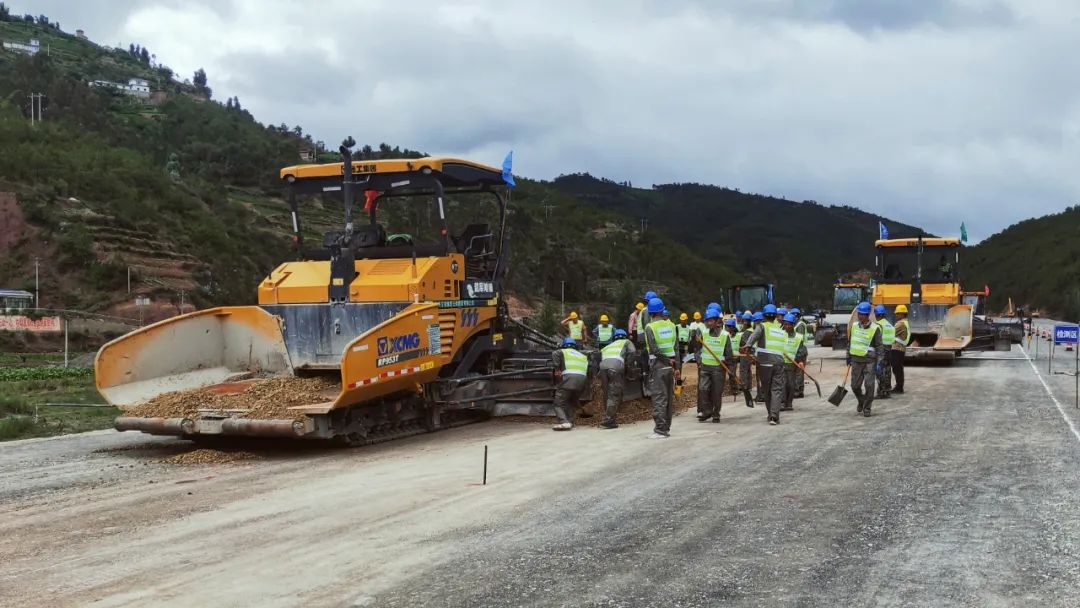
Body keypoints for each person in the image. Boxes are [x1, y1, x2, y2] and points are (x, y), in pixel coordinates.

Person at [743, 303, 787, 425]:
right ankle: (774, 416)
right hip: (779, 363)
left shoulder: (762, 326)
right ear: (775, 316)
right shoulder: (780, 329)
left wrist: (747, 345)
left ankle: (771, 415)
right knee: (777, 390)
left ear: (764, 316)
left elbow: (754, 336)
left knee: (767, 390)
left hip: (765, 364)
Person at [644, 297, 679, 438]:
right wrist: (675, 365)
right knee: (668, 398)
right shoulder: (671, 326)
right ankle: (666, 427)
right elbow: (676, 348)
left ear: (650, 313)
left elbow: (654, 350)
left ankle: (660, 430)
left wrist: (666, 360)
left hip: (658, 365)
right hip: (670, 367)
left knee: (659, 398)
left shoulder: (650, 327)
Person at [694, 309, 735, 422]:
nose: (708, 323)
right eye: (706, 321)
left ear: (717, 321)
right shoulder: (704, 333)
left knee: (717, 392)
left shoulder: (725, 335)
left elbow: (729, 354)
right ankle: (706, 411)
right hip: (705, 367)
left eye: (710, 321)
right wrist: (698, 360)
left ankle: (716, 413)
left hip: (718, 368)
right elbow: (697, 349)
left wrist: (730, 367)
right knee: (703, 389)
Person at [848, 302, 884, 417]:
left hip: (869, 361)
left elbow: (879, 346)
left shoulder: (875, 328)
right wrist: (848, 357)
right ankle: (861, 400)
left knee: (869, 385)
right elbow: (850, 342)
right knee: (855, 386)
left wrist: (879, 362)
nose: (860, 316)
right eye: (859, 314)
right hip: (856, 360)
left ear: (868, 314)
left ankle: (867, 407)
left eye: (863, 314)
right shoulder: (854, 326)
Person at [599, 329, 635, 429]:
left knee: (607, 394)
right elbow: (632, 352)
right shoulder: (627, 342)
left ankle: (609, 417)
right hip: (615, 367)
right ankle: (608, 421)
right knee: (614, 394)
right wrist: (628, 365)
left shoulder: (607, 346)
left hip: (602, 367)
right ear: (624, 336)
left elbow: (600, 356)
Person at [551, 337, 588, 430]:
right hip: (582, 381)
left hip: (568, 380)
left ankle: (564, 422)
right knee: (570, 402)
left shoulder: (563, 351)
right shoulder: (582, 355)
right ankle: (570, 421)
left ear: (564, 345)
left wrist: (557, 368)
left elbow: (555, 353)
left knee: (558, 403)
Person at [781, 313, 808, 411]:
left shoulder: (798, 337)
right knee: (783, 383)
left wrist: (800, 360)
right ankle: (783, 402)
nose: (787, 326)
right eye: (785, 324)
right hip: (782, 362)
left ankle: (789, 403)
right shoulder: (781, 334)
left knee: (791, 383)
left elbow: (800, 350)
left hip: (792, 363)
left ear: (793, 325)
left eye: (789, 324)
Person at [874, 304, 894, 399]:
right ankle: (887, 390)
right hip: (889, 349)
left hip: (881, 350)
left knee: (880, 370)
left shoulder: (878, 325)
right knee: (887, 370)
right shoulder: (889, 325)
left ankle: (882, 392)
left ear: (877, 314)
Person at [891, 304, 910, 394]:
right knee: (898, 368)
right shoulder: (905, 322)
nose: (896, 315)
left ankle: (899, 387)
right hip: (900, 349)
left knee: (897, 368)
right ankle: (899, 386)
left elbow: (890, 333)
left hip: (897, 349)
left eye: (898, 313)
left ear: (903, 314)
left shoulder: (900, 324)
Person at [738, 311, 755, 406]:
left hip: (745, 352)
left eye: (746, 321)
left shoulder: (747, 332)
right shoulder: (749, 330)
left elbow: (744, 343)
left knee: (744, 369)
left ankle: (744, 385)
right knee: (747, 369)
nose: (745, 322)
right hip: (749, 352)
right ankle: (748, 385)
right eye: (744, 320)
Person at [791, 308, 807, 398]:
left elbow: (799, 339)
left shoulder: (800, 325)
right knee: (797, 371)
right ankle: (798, 390)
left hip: (800, 350)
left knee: (799, 372)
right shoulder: (796, 324)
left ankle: (798, 390)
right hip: (796, 349)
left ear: (796, 315)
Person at [751, 311, 766, 403]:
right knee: (759, 378)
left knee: (762, 378)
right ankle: (760, 394)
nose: (757, 323)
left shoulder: (762, 330)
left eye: (758, 321)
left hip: (764, 358)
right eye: (756, 322)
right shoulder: (757, 331)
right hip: (758, 357)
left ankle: (763, 395)